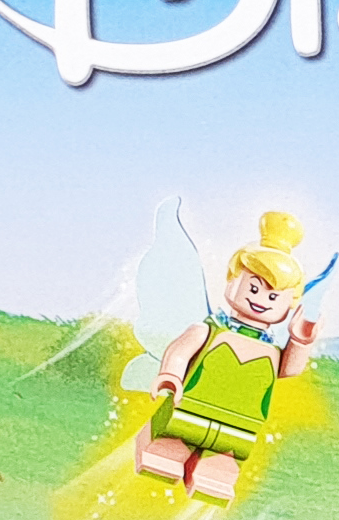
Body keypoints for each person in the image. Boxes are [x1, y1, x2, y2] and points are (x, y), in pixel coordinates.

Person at [138, 211, 324, 505]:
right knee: (174, 440)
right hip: (191, 407)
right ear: (232, 281)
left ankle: (212, 477)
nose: (260, 299)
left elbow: (289, 369)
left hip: (241, 422)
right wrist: (171, 375)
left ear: (290, 304)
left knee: (224, 457)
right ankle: (161, 455)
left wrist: (301, 339)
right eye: (254, 287)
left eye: (273, 296)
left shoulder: (272, 351)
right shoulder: (209, 330)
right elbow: (181, 351)